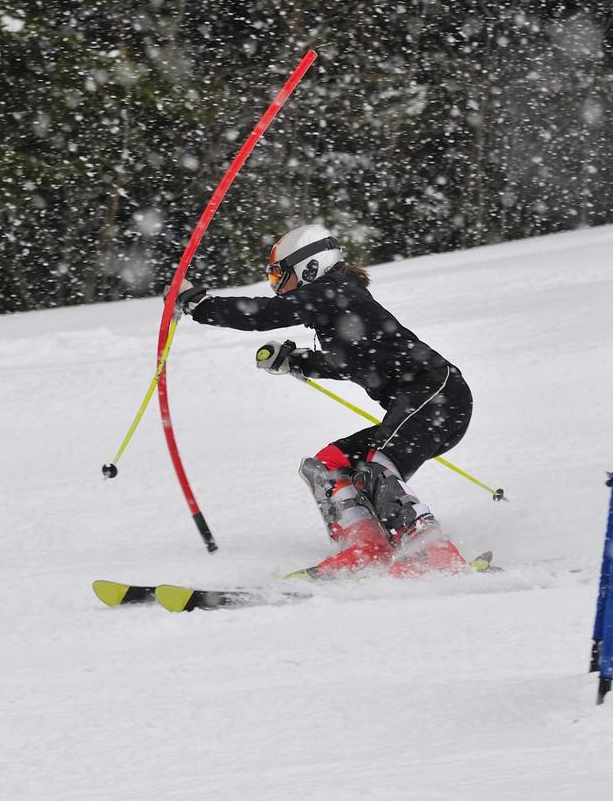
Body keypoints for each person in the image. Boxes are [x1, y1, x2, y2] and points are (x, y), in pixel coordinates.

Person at [175, 224, 474, 578]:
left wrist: (200, 304)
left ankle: (432, 550)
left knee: (378, 467)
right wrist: (296, 361)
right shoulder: (336, 308)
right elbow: (351, 362)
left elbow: (263, 314)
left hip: (438, 395)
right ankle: (366, 547)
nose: (276, 285)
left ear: (309, 266)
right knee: (328, 465)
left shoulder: (335, 288)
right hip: (418, 408)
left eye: (278, 275)